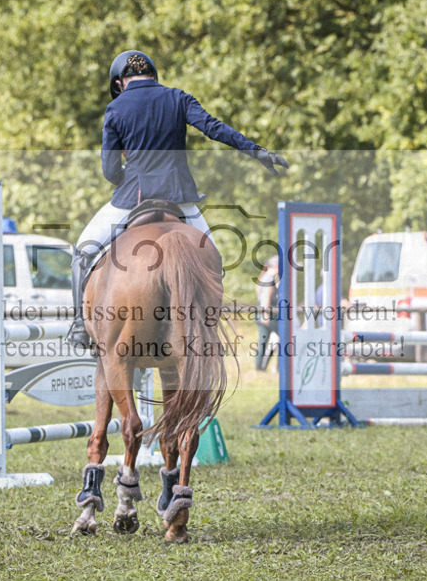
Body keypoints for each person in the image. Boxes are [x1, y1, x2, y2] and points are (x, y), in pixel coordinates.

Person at [66, 50, 289, 347]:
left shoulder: (116, 108)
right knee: (213, 261)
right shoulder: (178, 98)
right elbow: (214, 128)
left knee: (82, 251)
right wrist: (257, 151)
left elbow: (108, 169)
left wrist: (124, 179)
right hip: (179, 199)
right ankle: (209, 327)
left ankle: (80, 326)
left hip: (132, 199)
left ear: (120, 82)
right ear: (154, 75)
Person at [254, 256, 280, 370]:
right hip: (268, 314)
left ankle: (259, 367)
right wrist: (265, 314)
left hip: (261, 312)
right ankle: (281, 366)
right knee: (285, 337)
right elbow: (266, 297)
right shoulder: (269, 278)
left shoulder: (263, 277)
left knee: (263, 341)